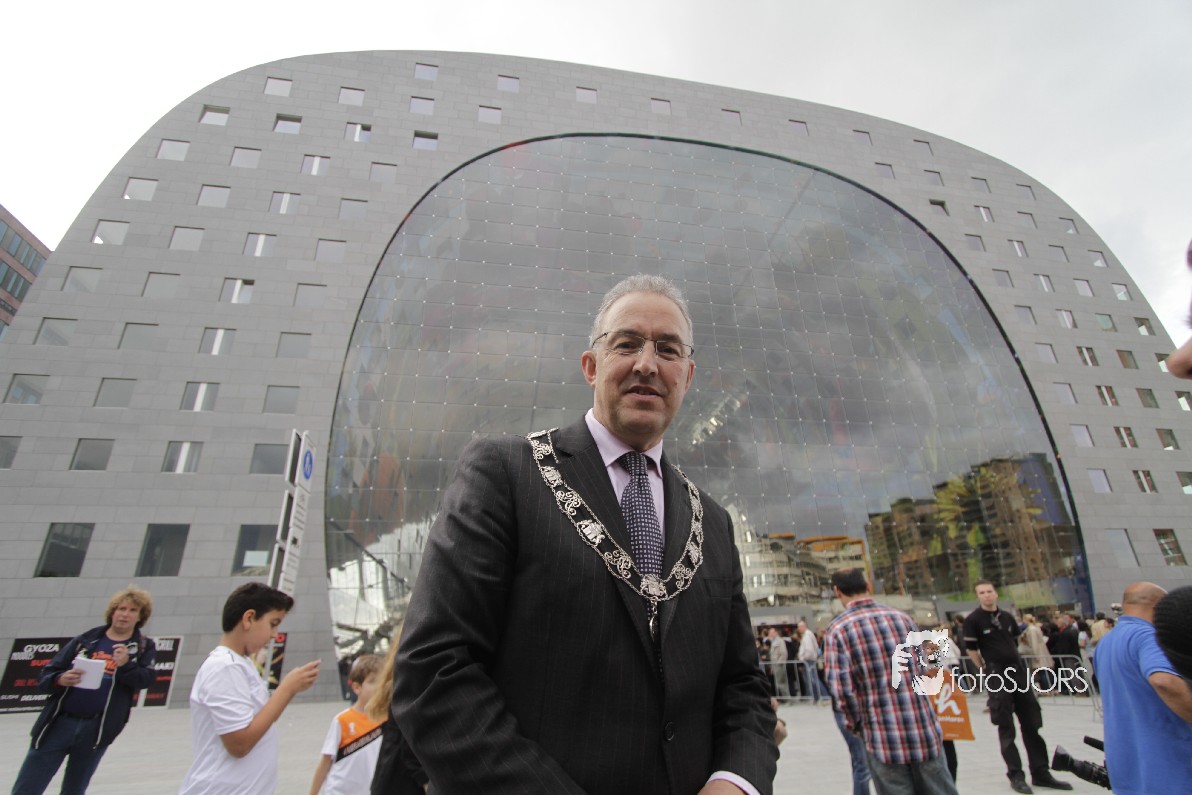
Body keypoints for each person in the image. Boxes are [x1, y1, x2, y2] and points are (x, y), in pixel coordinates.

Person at [391, 274, 778, 794]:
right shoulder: (508, 475)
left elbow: (743, 687)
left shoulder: (712, 520)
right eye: (627, 343)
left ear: (687, 376)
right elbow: (433, 672)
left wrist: (734, 781)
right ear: (591, 366)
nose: (647, 363)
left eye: (668, 349)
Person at [822, 568, 957, 795]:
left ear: (837, 592)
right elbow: (924, 668)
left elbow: (842, 690)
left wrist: (857, 725)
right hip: (922, 726)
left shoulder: (838, 630)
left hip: (881, 734)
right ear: (868, 586)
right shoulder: (902, 619)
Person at [12, 586, 157, 795]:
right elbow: (45, 676)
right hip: (59, 724)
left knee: (74, 789)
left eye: (133, 610)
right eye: (121, 609)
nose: (125, 614)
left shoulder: (143, 647)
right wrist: (61, 679)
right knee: (28, 787)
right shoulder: (86, 640)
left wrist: (126, 665)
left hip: (96, 729)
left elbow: (146, 680)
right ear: (112, 612)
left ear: (141, 617)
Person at [178, 583, 321, 795]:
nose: (275, 635)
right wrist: (286, 689)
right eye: (273, 624)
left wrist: (290, 689)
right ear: (249, 618)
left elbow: (260, 721)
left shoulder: (240, 664)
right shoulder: (224, 667)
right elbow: (240, 744)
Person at [963, 581, 1072, 793]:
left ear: (996, 593)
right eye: (982, 592)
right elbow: (971, 649)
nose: (986, 595)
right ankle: (1016, 774)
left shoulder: (1007, 617)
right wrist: (985, 668)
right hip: (996, 673)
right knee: (1006, 726)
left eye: (989, 591)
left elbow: (1013, 640)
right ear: (977, 596)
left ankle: (1041, 772)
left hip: (1018, 672)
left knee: (1031, 722)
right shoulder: (973, 620)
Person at [1093, 582, 1192, 795]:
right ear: (1160, 608)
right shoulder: (1149, 637)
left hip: (1128, 769)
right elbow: (1164, 681)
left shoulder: (1106, 642)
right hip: (1169, 768)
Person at [309, 655, 385, 795]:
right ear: (357, 687)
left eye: (383, 681)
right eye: (373, 681)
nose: (379, 687)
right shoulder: (342, 720)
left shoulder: (387, 721)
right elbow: (325, 761)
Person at [366, 630, 426, 795]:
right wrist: (425, 780)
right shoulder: (413, 679)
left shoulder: (399, 679)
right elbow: (409, 738)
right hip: (404, 783)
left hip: (389, 777)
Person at [1017, 615, 1054, 692]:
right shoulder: (1034, 628)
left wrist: (1035, 655)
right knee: (1042, 671)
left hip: (1038, 652)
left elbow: (1034, 643)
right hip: (1040, 651)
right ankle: (1047, 689)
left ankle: (1047, 689)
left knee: (1042, 671)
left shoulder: (1031, 630)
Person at [796, 619, 825, 703]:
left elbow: (809, 649)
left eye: (799, 627)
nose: (799, 629)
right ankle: (817, 697)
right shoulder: (807, 635)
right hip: (809, 659)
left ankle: (824, 695)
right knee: (813, 679)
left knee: (813, 679)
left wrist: (804, 657)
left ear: (803, 626)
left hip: (809, 660)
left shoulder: (807, 636)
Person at [767, 627, 791, 698]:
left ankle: (787, 698)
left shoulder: (780, 641)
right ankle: (784, 697)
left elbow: (783, 653)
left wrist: (779, 662)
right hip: (775, 665)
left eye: (771, 633)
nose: (770, 634)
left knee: (781, 683)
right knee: (778, 682)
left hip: (779, 665)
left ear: (775, 633)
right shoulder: (773, 641)